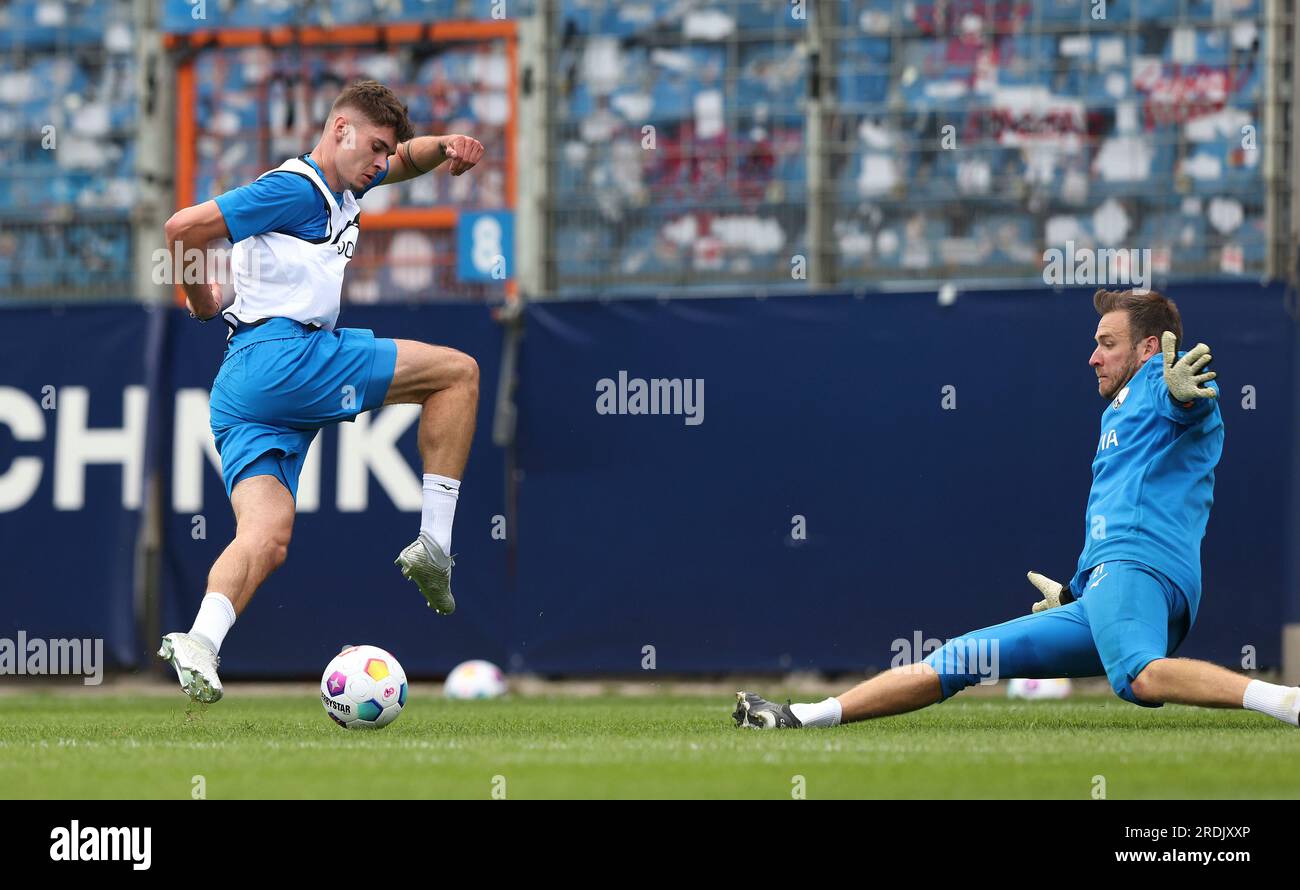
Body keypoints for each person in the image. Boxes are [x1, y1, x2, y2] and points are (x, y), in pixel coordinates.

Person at [736, 288, 1300, 731]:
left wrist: (1179, 395)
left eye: (1107, 342)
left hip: (1137, 572)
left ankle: (1288, 701)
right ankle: (802, 716)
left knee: (1140, 678)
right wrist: (1079, 593)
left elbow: (1190, 406)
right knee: (962, 658)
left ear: (1150, 348)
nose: (1092, 355)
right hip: (1110, 586)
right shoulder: (1122, 407)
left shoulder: (1158, 381)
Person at [158, 80, 485, 703]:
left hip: (243, 387)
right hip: (288, 358)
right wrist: (200, 300)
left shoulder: (344, 184)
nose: (383, 163)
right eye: (376, 149)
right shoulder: (294, 188)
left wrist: (444, 145)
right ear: (339, 131)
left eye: (388, 153)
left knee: (266, 535)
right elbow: (182, 229)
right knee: (458, 373)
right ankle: (437, 545)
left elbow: (406, 160)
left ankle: (200, 640)